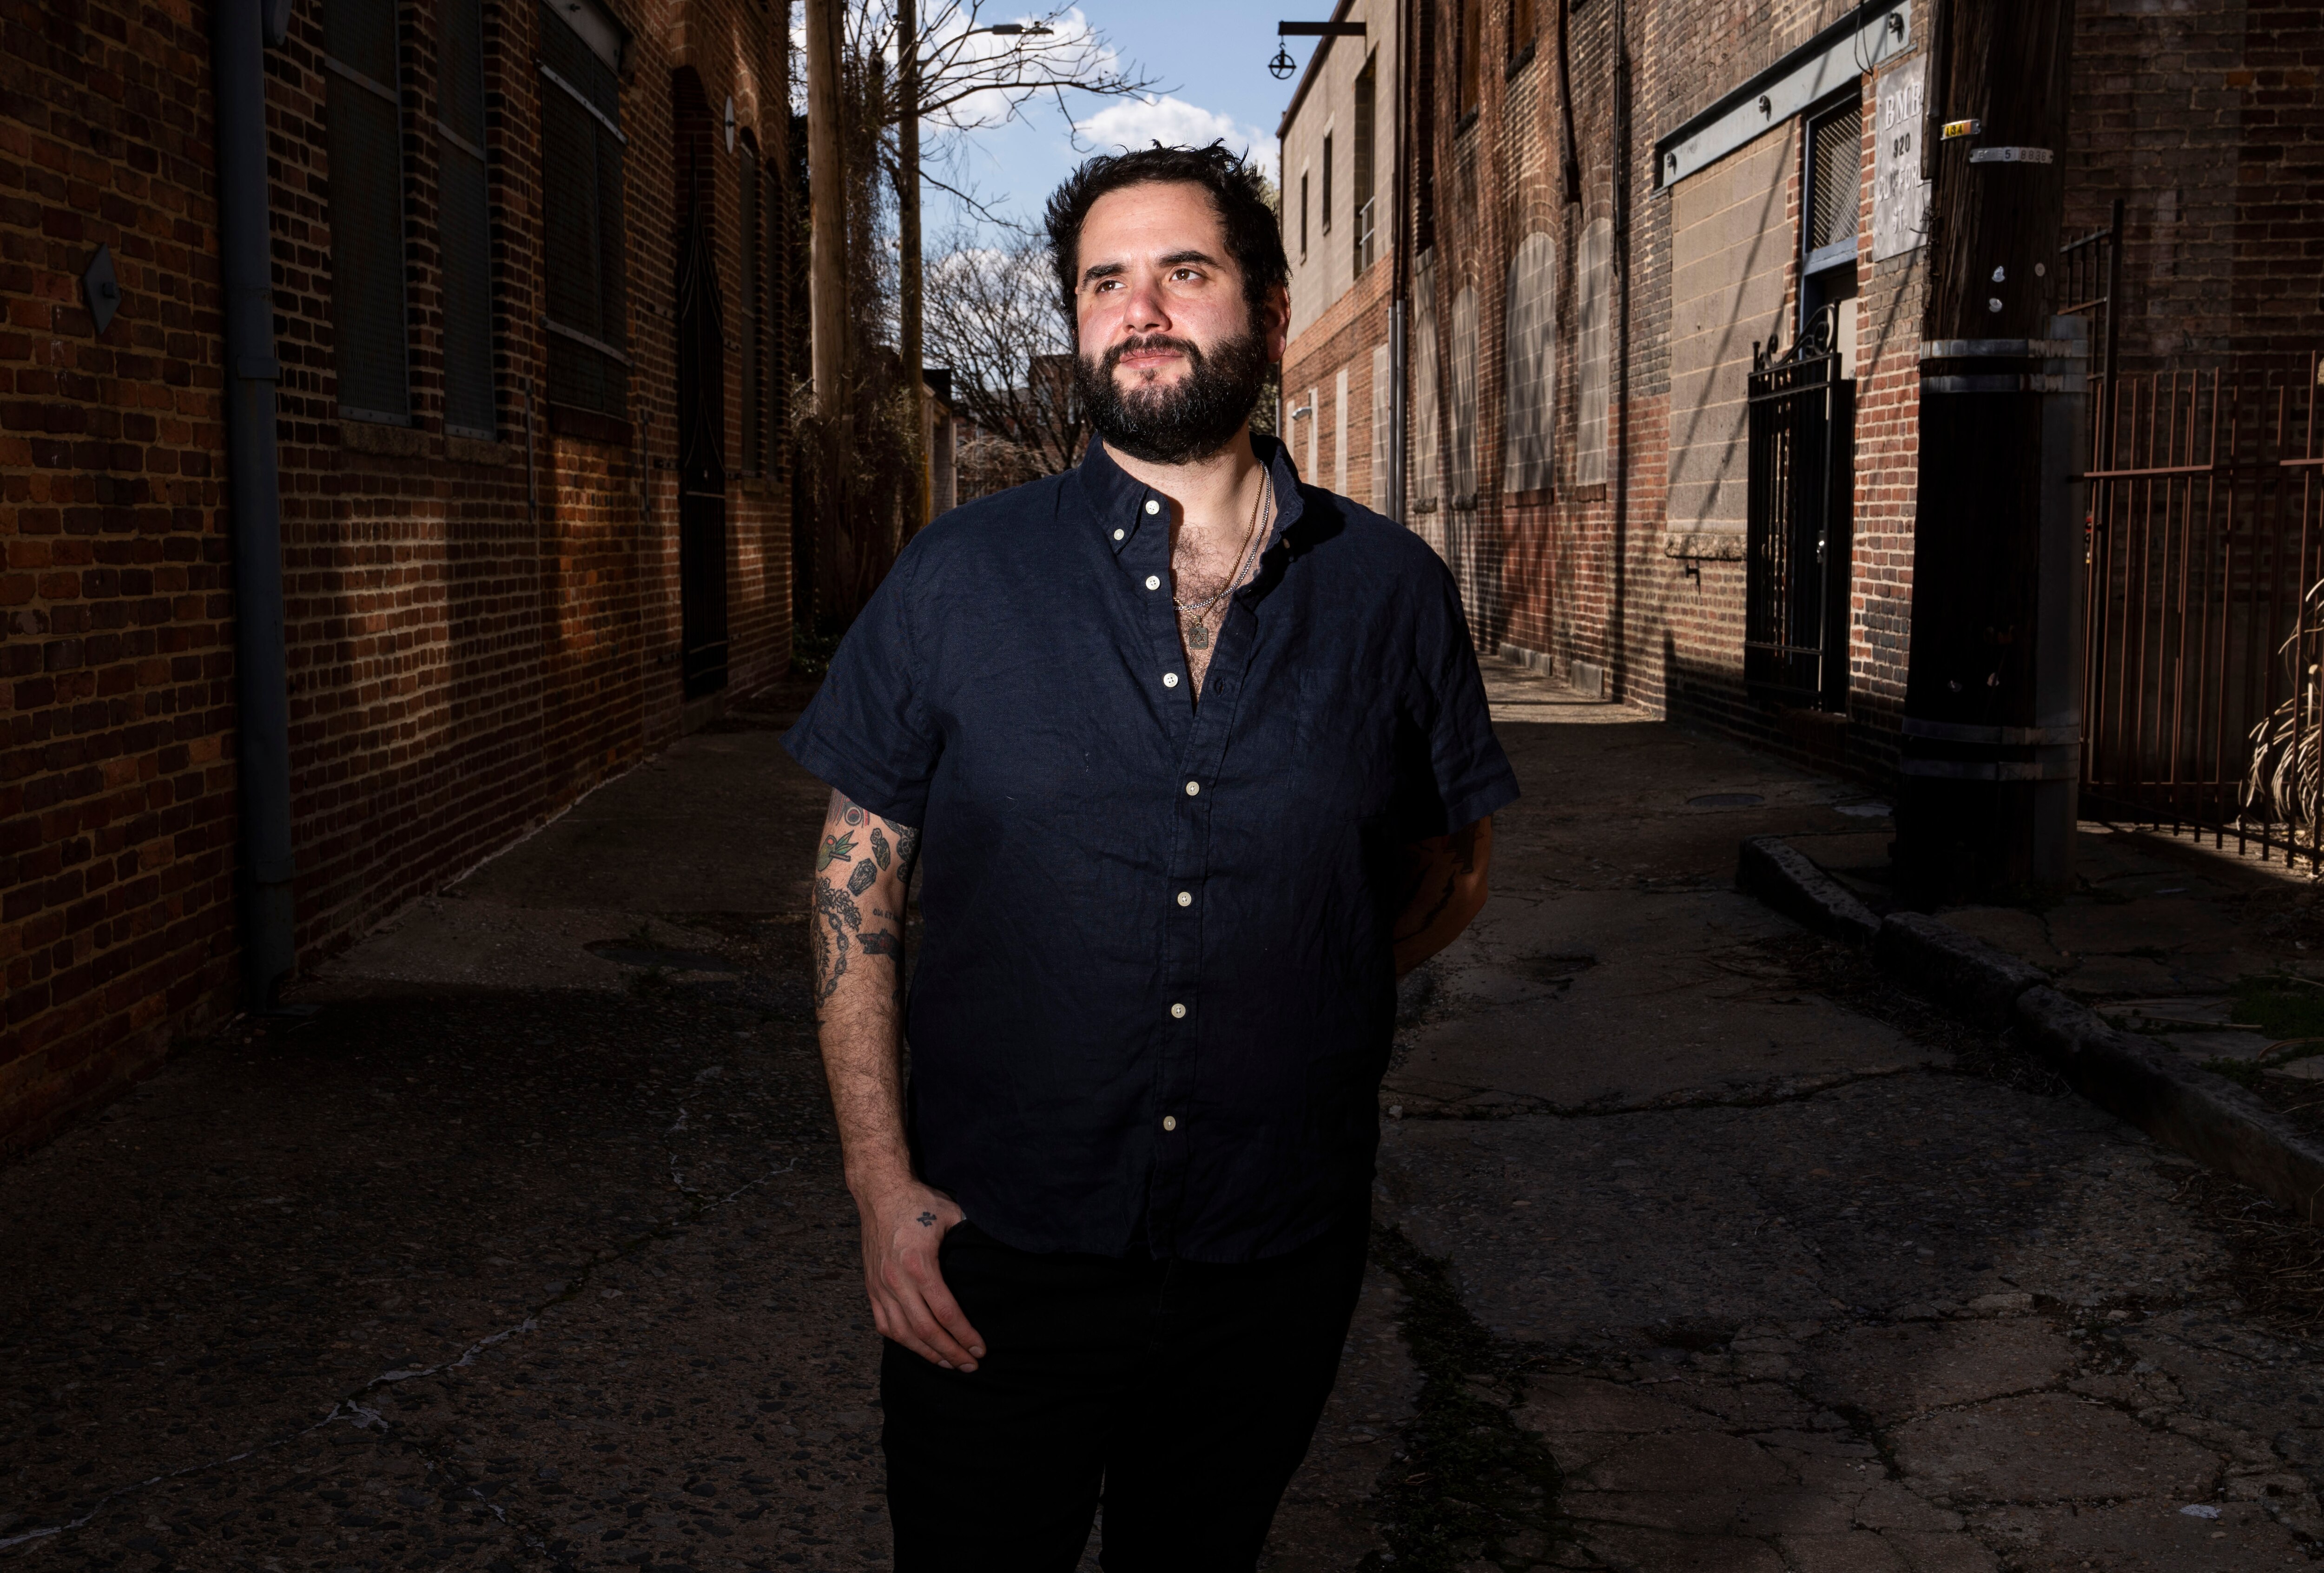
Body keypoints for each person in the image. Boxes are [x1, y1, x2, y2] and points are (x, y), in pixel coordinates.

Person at [783, 142, 1517, 1570]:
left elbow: (1447, 873)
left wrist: (1289, 959)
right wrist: (881, 1188)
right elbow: (849, 889)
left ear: (1270, 306)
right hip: (997, 1245)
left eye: (1185, 270)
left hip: (1269, 1256)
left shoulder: (1389, 597)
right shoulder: (959, 578)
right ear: (1075, 322)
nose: (1143, 308)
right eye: (1105, 282)